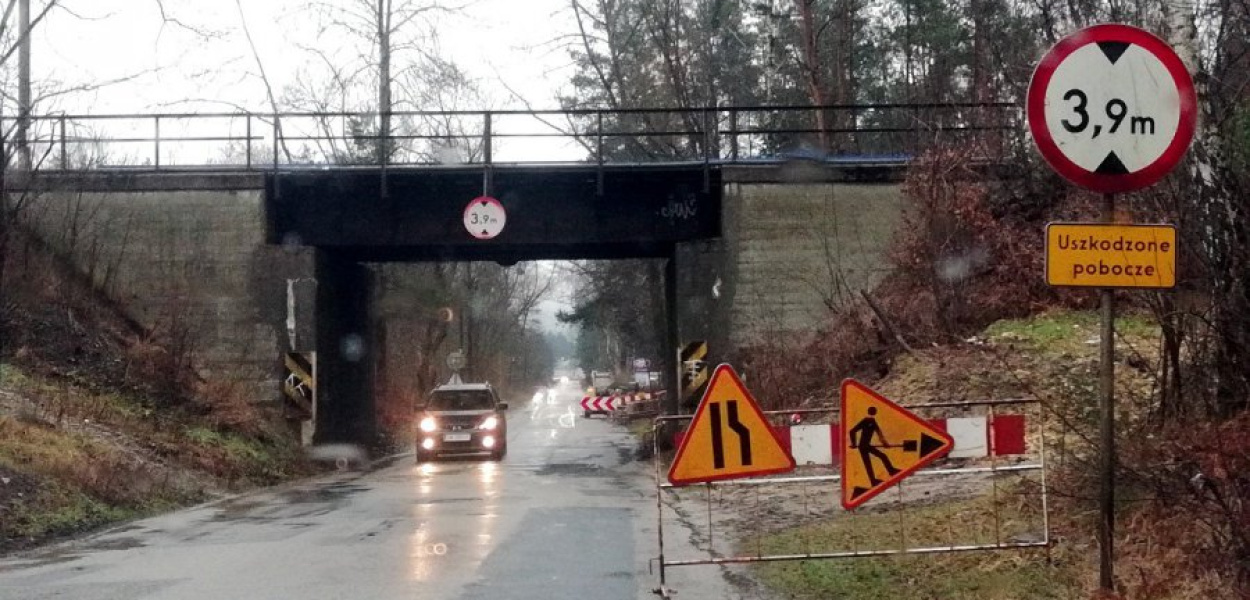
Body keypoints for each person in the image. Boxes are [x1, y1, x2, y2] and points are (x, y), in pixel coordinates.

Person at [849, 407, 901, 485]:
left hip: (864, 446)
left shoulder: (871, 421)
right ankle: (891, 471)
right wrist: (885, 444)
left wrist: (854, 443)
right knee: (879, 458)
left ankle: (882, 476)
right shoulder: (868, 421)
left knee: (871, 462)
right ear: (875, 412)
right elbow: (879, 434)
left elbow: (879, 434)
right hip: (864, 446)